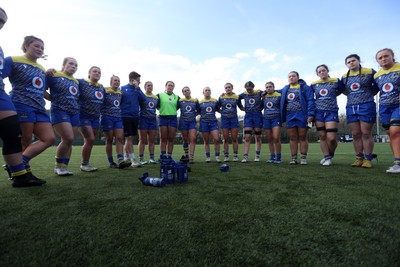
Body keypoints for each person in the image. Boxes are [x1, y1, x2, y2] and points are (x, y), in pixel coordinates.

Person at [0, 7, 45, 187]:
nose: (0, 23)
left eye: (3, 21)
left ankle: (19, 176)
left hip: (2, 94)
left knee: (12, 132)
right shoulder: (14, 59)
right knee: (20, 137)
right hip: (20, 102)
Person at [2, 35, 55, 177]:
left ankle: (19, 163)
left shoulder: (41, 68)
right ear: (26, 46)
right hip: (21, 104)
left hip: (40, 107)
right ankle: (21, 173)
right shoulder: (12, 60)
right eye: (36, 46)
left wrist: (54, 99)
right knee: (25, 140)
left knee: (49, 138)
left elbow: (41, 89)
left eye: (42, 47)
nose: (40, 49)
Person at [342, 54, 379, 168]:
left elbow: (377, 85)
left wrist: (368, 94)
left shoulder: (369, 71)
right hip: (351, 106)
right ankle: (359, 158)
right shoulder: (344, 76)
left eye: (353, 61)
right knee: (356, 134)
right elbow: (343, 90)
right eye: (348, 62)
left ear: (359, 61)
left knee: (366, 133)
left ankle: (368, 159)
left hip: (366, 105)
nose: (351, 63)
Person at [46, 57, 79, 176]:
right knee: (68, 138)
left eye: (76, 65)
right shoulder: (53, 75)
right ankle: (57, 167)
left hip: (74, 113)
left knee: (70, 141)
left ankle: (64, 167)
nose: (74, 66)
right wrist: (52, 99)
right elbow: (41, 89)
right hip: (59, 111)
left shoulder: (76, 81)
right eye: (71, 64)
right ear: (64, 64)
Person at [311, 64, 344, 166]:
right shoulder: (313, 84)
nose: (322, 73)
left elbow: (342, 90)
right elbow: (310, 98)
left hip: (331, 111)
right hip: (318, 112)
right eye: (319, 72)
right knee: (322, 136)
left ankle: (330, 153)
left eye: (323, 70)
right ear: (317, 74)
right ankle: (327, 157)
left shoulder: (336, 81)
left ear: (327, 71)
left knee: (332, 138)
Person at [374, 48, 400, 173]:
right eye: (380, 58)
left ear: (392, 56)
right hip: (384, 107)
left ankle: (398, 164)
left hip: (398, 105)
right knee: (391, 134)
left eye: (386, 56)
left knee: (395, 132)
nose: (383, 59)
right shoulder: (377, 75)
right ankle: (397, 161)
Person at [280, 71, 315, 165]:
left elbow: (310, 100)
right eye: (289, 76)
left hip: (302, 115)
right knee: (292, 137)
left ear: (298, 77)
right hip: (289, 115)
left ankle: (303, 158)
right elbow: (275, 92)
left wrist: (310, 114)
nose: (291, 78)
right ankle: (293, 158)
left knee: (302, 136)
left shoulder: (305, 87)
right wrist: (264, 92)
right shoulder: (285, 88)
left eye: (293, 76)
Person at [77, 66, 105, 172]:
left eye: (99, 72)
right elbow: (68, 78)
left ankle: (86, 163)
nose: (97, 73)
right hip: (83, 116)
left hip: (95, 118)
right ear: (89, 73)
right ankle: (84, 164)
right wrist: (53, 71)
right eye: (95, 71)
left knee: (90, 141)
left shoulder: (101, 87)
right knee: (90, 139)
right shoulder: (81, 82)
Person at [101, 75, 131, 169]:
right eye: (115, 80)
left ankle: (120, 160)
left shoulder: (120, 93)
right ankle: (111, 162)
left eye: (118, 81)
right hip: (107, 117)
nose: (117, 82)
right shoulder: (104, 90)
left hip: (118, 118)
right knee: (109, 139)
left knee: (119, 138)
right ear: (111, 81)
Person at [120, 71, 146, 167]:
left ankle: (126, 157)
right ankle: (133, 160)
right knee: (129, 138)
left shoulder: (137, 90)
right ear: (132, 80)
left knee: (130, 138)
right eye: (138, 81)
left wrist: (138, 88)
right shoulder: (122, 88)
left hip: (135, 117)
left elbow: (144, 100)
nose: (140, 82)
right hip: (125, 116)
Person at [238, 81, 263, 163]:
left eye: (250, 89)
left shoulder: (259, 92)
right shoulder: (244, 94)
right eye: (247, 89)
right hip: (248, 116)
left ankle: (257, 155)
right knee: (247, 136)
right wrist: (241, 107)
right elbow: (236, 98)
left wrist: (261, 106)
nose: (249, 91)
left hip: (257, 116)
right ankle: (245, 156)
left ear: (253, 87)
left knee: (257, 136)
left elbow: (268, 94)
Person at [218, 82, 242, 162]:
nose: (228, 88)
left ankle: (235, 156)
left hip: (234, 119)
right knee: (226, 139)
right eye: (226, 87)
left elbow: (241, 107)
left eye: (229, 87)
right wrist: (222, 112)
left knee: (234, 138)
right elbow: (217, 107)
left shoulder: (236, 97)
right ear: (224, 89)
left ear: (232, 88)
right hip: (224, 120)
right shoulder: (221, 97)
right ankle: (226, 156)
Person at [157, 81, 180, 158]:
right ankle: (163, 155)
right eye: (169, 85)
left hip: (173, 118)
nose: (170, 87)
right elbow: (156, 105)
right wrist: (163, 109)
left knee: (171, 138)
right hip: (163, 118)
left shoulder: (177, 97)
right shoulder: (160, 95)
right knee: (163, 138)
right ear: (165, 86)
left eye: (172, 86)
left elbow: (177, 107)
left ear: (173, 87)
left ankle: (169, 156)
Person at [138, 81, 158, 165]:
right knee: (142, 140)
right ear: (145, 87)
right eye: (148, 85)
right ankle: (141, 158)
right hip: (143, 119)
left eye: (151, 85)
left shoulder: (156, 98)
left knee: (152, 140)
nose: (150, 87)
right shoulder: (141, 96)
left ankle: (152, 158)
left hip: (152, 120)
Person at [199, 86, 221, 162]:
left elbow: (219, 110)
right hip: (204, 122)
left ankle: (217, 156)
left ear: (210, 92)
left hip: (213, 122)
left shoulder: (215, 101)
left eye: (209, 90)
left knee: (217, 139)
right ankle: (208, 157)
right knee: (206, 140)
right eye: (206, 90)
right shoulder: (200, 102)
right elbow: (198, 112)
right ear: (203, 92)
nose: (207, 91)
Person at [262, 81, 282, 164]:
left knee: (276, 138)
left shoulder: (279, 95)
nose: (268, 88)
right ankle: (272, 157)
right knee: (269, 139)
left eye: (270, 86)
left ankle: (278, 157)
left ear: (273, 87)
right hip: (266, 119)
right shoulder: (263, 96)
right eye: (267, 87)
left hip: (276, 118)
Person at [178, 86, 199, 163]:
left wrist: (194, 115)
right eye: (185, 91)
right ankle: (186, 154)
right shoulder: (180, 101)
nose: (186, 91)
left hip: (192, 122)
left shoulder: (195, 101)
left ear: (190, 91)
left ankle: (191, 157)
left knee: (193, 138)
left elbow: (199, 110)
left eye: (188, 90)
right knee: (185, 139)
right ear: (183, 93)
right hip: (183, 122)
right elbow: (175, 108)